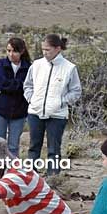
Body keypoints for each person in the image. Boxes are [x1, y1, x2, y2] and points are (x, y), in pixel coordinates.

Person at [24, 34, 81, 175]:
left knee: (53, 149)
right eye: (43, 49)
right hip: (35, 113)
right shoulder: (36, 65)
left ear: (58, 49)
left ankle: (52, 179)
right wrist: (32, 99)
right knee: (33, 147)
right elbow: (28, 85)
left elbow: (76, 91)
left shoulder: (69, 68)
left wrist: (61, 102)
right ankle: (31, 177)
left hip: (57, 115)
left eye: (48, 49)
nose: (44, 52)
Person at [0, 38, 31, 157]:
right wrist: (19, 86)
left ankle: (12, 172)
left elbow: (28, 86)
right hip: (0, 110)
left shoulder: (29, 67)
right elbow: (2, 84)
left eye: (14, 51)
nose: (11, 54)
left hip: (19, 112)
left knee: (13, 145)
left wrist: (11, 86)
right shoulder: (1, 64)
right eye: (8, 51)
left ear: (22, 51)